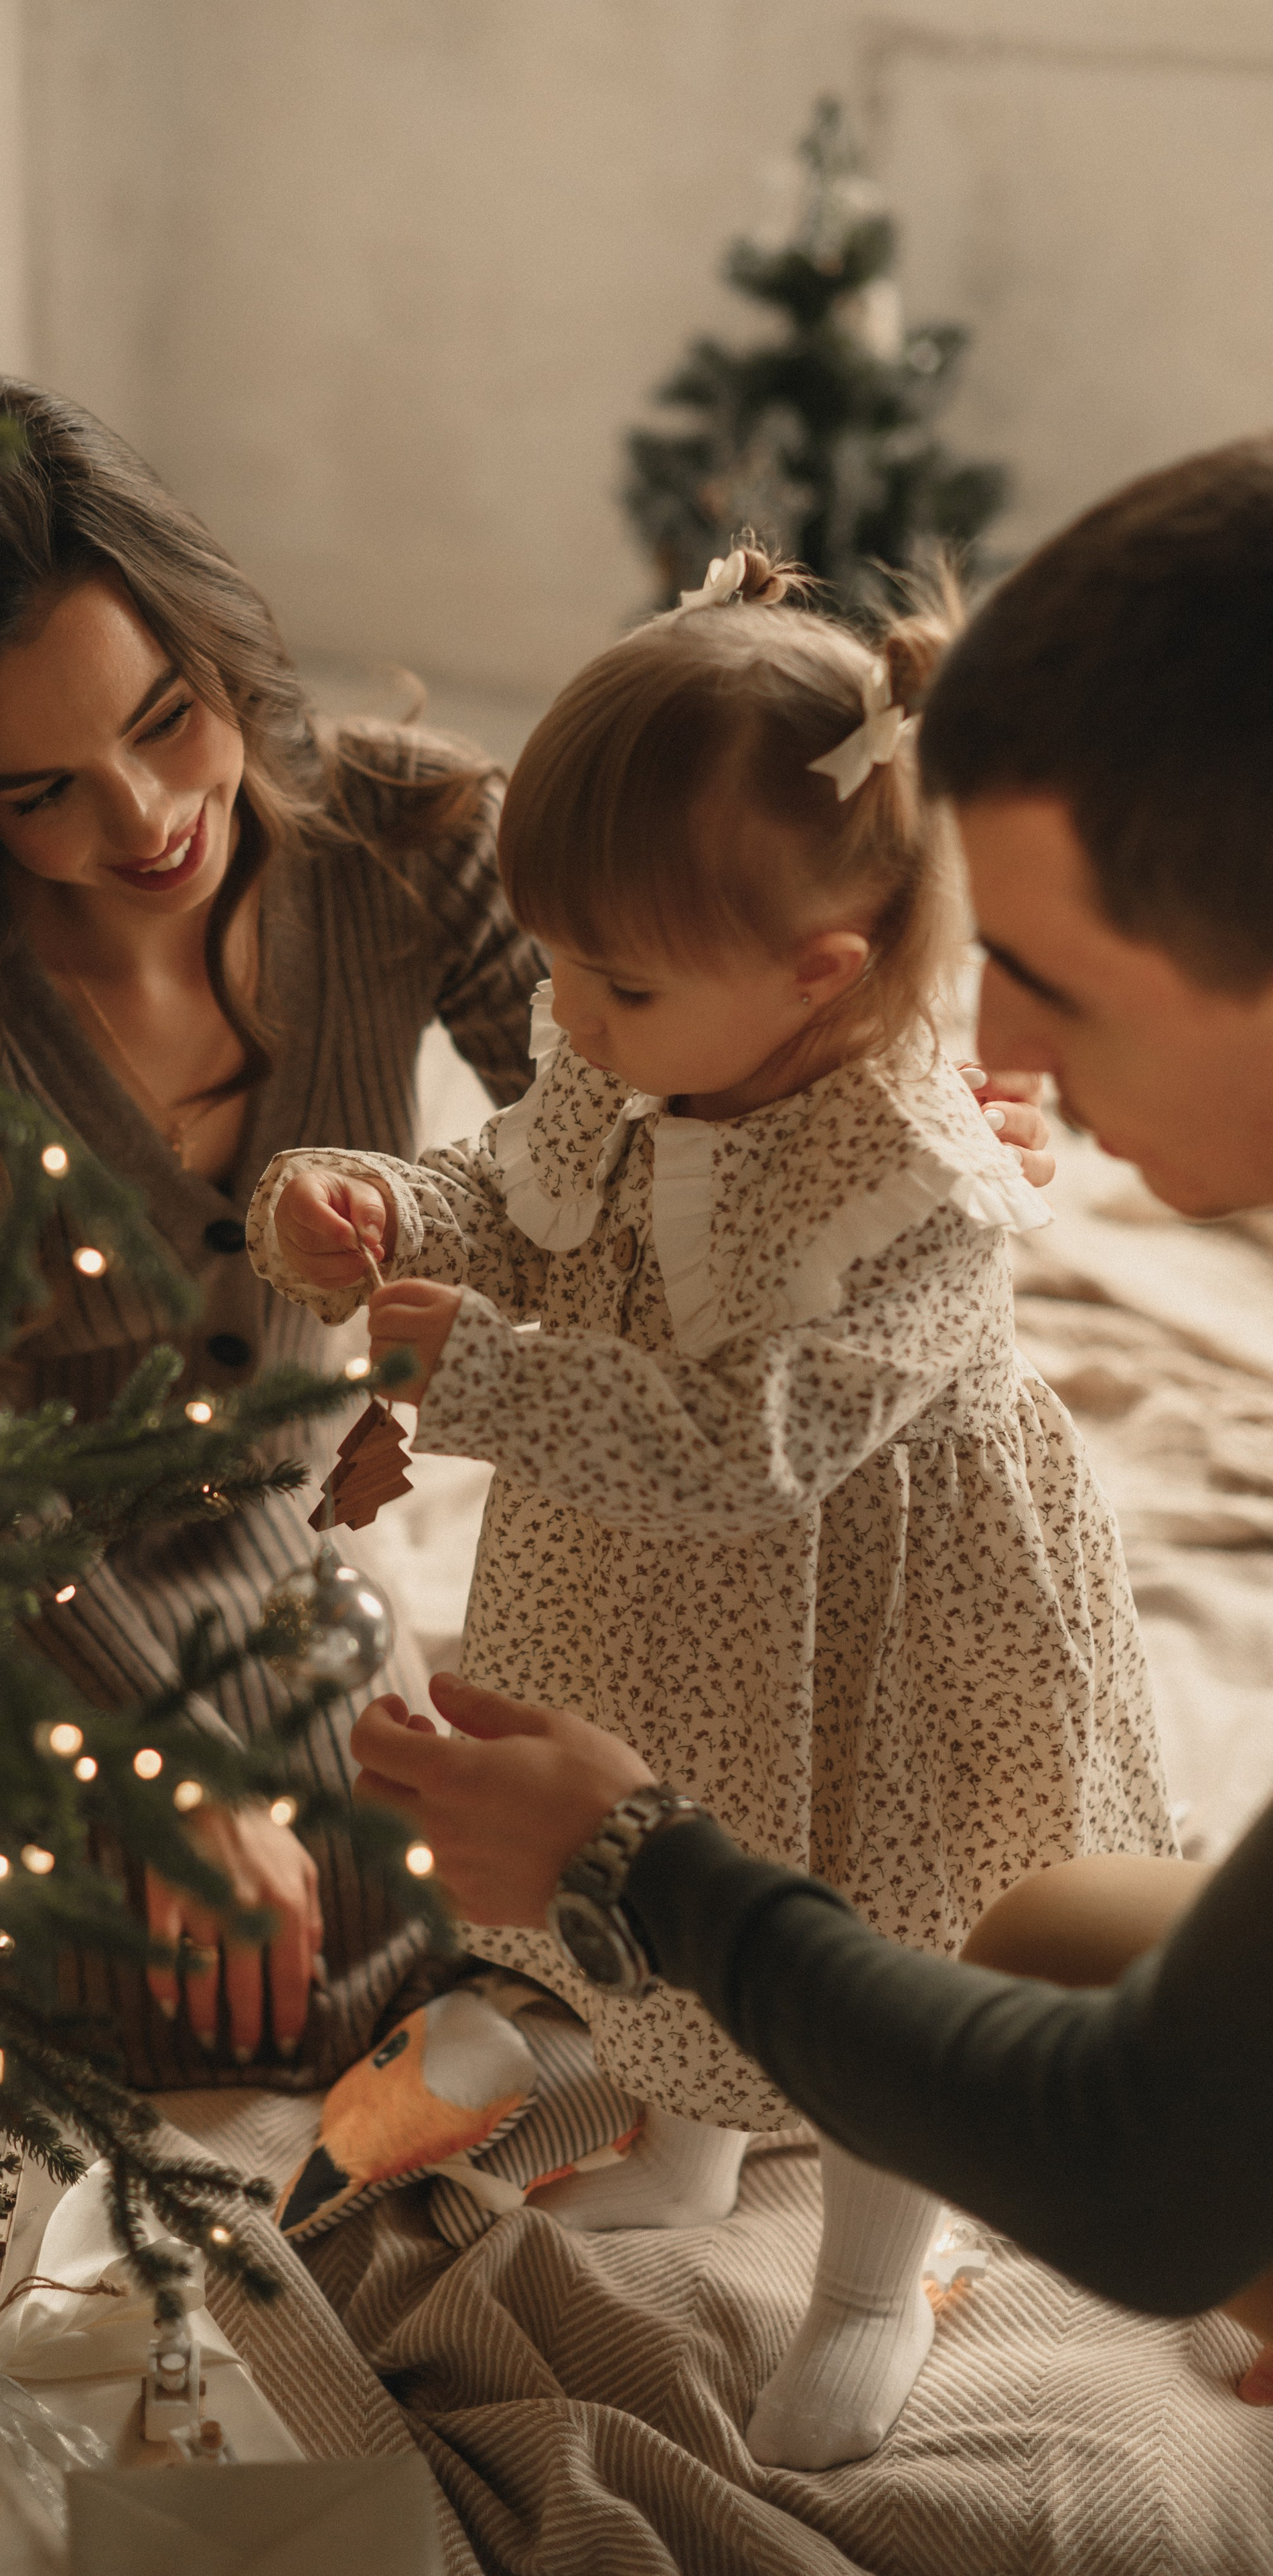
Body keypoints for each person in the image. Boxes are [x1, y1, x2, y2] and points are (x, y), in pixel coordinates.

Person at [346, 434, 1273, 2415]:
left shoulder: (909, 1172)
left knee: (948, 1889)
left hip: (867, 1587)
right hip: (660, 1601)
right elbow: (510, 1182)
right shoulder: (623, 1084)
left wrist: (642, 1856)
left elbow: (1150, 2166)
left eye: (1050, 976)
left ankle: (875, 2269)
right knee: (994, 1924)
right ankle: (694, 2135)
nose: (999, 1070)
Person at [0, 374, 546, 2091]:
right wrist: (160, 1778)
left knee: (428, 1895)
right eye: (42, 794)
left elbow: (623, 1100)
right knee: (165, 1990)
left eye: (167, 720)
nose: (146, 820)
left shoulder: (402, 840)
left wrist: (849, 1104)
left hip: (277, 1540)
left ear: (219, 647)